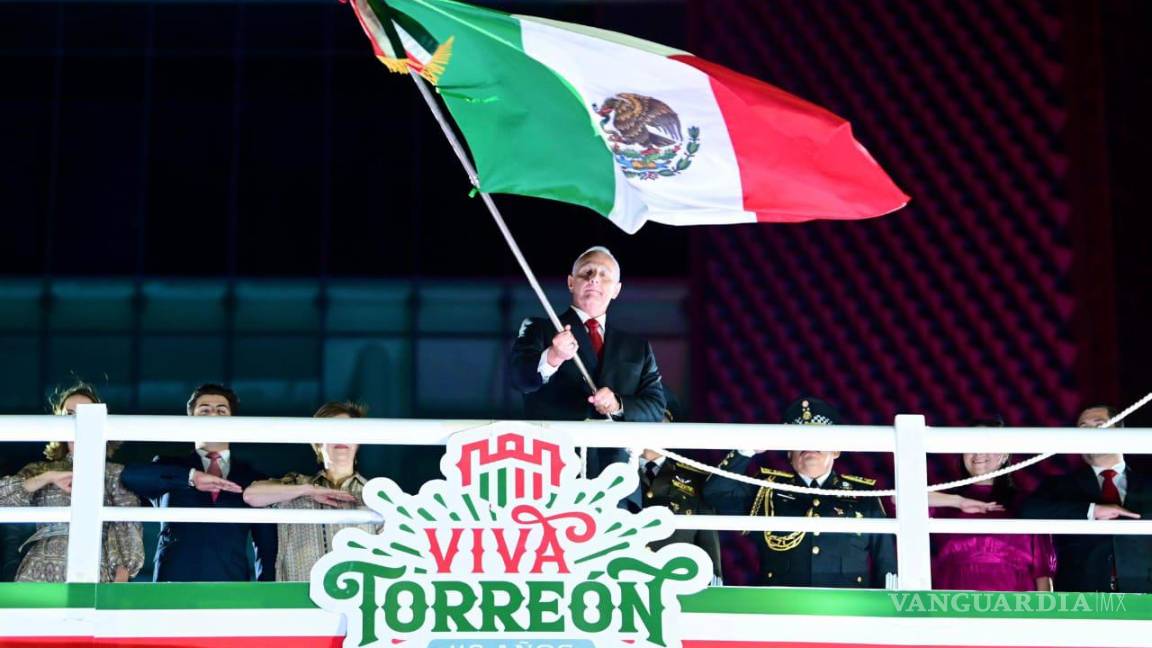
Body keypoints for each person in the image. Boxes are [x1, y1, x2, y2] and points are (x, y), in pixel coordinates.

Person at [702, 397, 896, 588]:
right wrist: (747, 450)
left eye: (819, 437)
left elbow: (886, 563)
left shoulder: (863, 494)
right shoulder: (766, 490)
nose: (809, 444)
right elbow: (716, 493)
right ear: (789, 452)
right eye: (800, 438)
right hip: (780, 605)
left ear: (836, 450)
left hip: (848, 606)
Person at [509, 246, 664, 476]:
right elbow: (520, 380)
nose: (594, 279)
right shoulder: (539, 328)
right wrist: (554, 356)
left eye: (604, 275)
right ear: (571, 282)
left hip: (618, 475)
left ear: (616, 289)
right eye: (587, 272)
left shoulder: (637, 347)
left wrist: (618, 404)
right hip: (554, 471)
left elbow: (655, 407)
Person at [120, 384, 277, 582]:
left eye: (221, 411)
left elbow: (266, 547)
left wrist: (265, 592)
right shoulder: (168, 466)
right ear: (190, 421)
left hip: (231, 587)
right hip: (173, 586)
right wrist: (191, 477)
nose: (213, 416)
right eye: (204, 411)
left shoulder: (252, 477)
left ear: (234, 422)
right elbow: (130, 476)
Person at [0, 383, 144, 582]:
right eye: (69, 415)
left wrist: (119, 584)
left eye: (85, 413)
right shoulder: (39, 469)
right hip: (39, 568)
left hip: (95, 567)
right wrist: (48, 477)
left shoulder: (114, 473)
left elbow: (127, 527)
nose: (78, 421)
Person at [243, 401, 381, 581]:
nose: (340, 437)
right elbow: (251, 495)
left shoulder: (376, 494)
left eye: (347, 431)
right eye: (331, 431)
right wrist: (308, 490)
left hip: (359, 594)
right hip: (297, 594)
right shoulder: (296, 484)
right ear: (317, 443)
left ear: (358, 441)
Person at [1021, 405, 1152, 592]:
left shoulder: (1148, 485)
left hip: (1143, 595)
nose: (1091, 433)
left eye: (1100, 426)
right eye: (1084, 428)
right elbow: (1028, 510)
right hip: (1080, 597)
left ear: (1121, 432)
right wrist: (1091, 511)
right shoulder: (1061, 485)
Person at [928, 419, 1056, 591]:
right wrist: (959, 502)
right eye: (971, 445)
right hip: (953, 597)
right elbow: (898, 499)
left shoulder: (1026, 503)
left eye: (986, 444)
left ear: (1005, 455)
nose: (978, 452)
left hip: (1014, 599)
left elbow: (1043, 571)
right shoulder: (944, 500)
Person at [633, 391, 723, 583]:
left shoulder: (696, 477)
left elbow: (707, 540)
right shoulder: (616, 469)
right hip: (623, 577)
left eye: (660, 422)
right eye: (647, 421)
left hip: (677, 580)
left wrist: (713, 578)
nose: (653, 429)